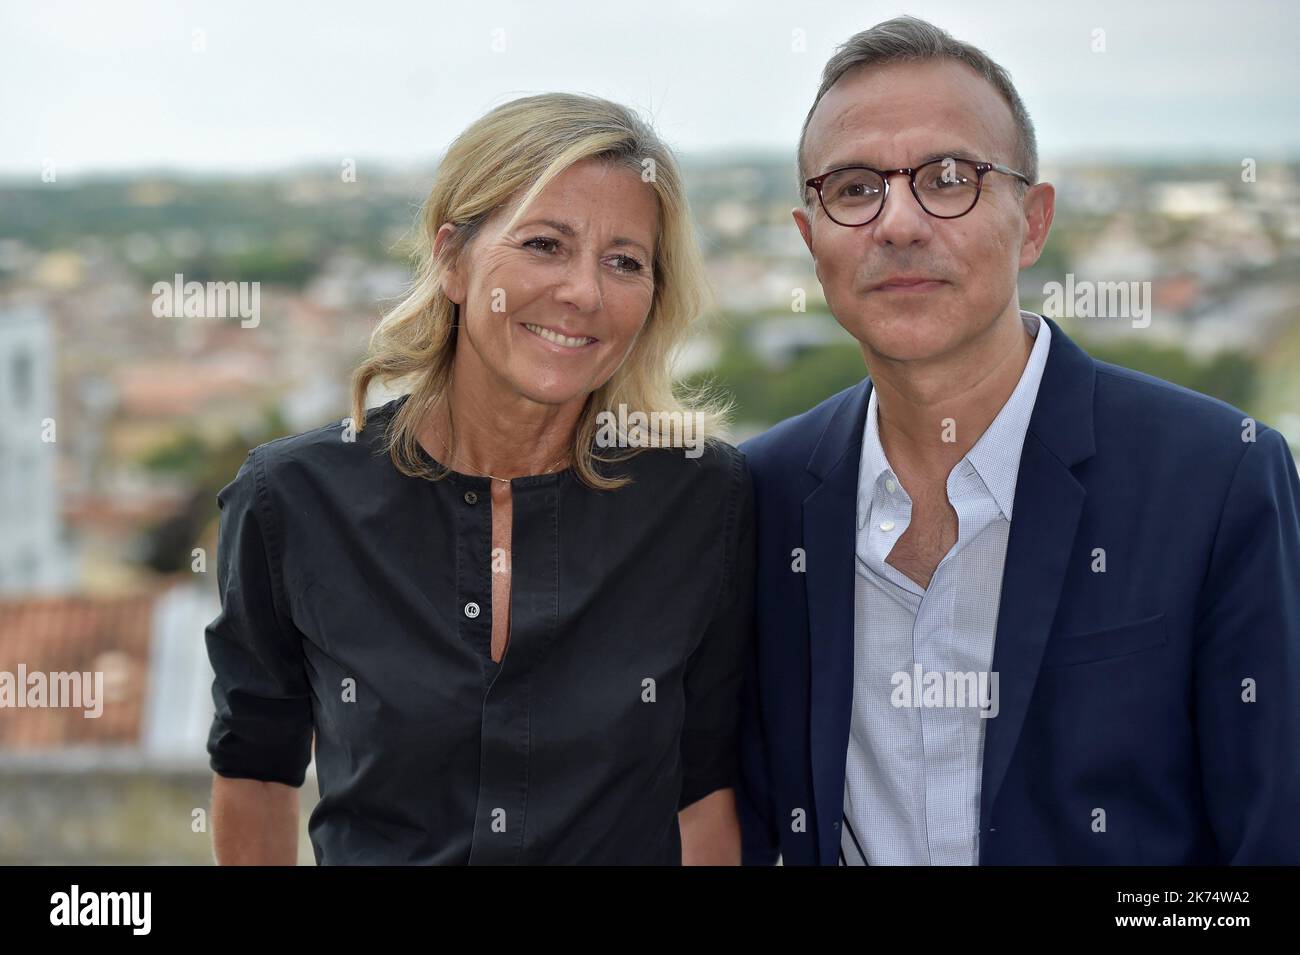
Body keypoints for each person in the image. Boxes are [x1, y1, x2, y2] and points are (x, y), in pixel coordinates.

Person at [737, 16, 1300, 865]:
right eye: (853, 188)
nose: (898, 223)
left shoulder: (1219, 476)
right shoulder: (761, 494)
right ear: (810, 236)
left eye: (949, 177)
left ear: (1033, 222)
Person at [204, 92, 754, 865]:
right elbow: (256, 772)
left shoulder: (702, 501)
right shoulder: (291, 500)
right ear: (452, 260)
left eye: (624, 261)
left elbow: (704, 793)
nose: (584, 293)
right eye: (544, 244)